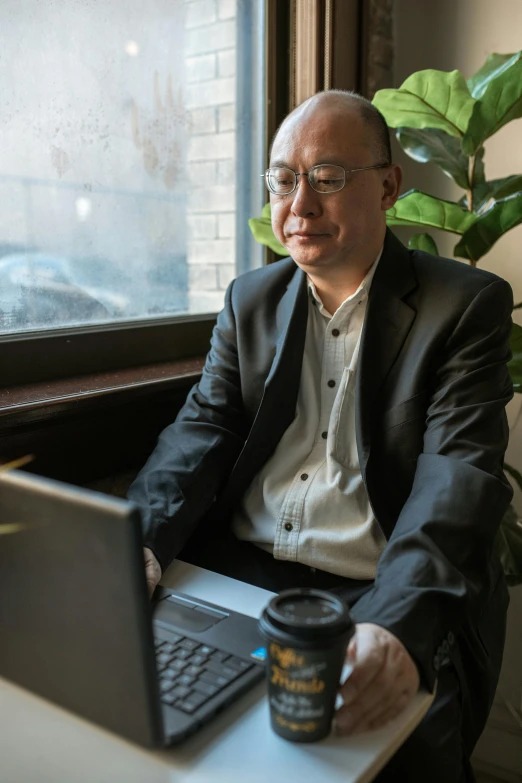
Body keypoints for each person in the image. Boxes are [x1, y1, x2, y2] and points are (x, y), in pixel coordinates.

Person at [128, 90, 514, 782]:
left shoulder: (463, 307)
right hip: (241, 578)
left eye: (329, 179)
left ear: (390, 186)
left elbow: (455, 479)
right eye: (284, 179)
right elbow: (201, 431)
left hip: (377, 588)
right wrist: (141, 546)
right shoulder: (250, 300)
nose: (299, 205)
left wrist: (396, 625)